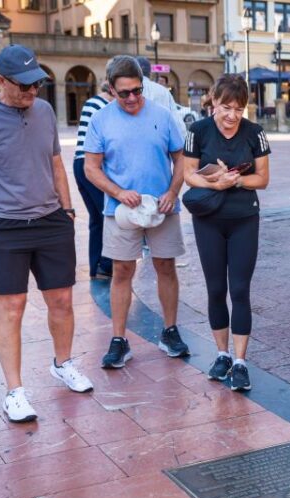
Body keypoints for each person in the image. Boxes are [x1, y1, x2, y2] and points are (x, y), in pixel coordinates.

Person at [0, 44, 94, 423]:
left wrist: (66, 210)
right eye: (24, 86)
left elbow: (55, 163)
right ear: (1, 80)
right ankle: (14, 391)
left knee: (62, 301)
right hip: (5, 227)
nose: (32, 93)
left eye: (37, 85)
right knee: (12, 309)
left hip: (51, 221)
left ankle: (63, 363)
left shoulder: (45, 111)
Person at [83, 55, 190, 368]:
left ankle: (170, 331)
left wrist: (173, 191)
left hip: (162, 208)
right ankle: (119, 339)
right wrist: (118, 193)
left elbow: (182, 157)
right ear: (112, 91)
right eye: (124, 93)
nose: (132, 98)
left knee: (166, 267)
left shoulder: (162, 114)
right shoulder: (101, 120)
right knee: (122, 272)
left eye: (137, 91)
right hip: (121, 211)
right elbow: (91, 167)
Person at [182, 74, 270, 391]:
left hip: (244, 217)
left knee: (240, 289)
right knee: (216, 288)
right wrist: (214, 183)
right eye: (225, 107)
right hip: (208, 219)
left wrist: (236, 181)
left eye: (238, 108)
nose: (231, 115)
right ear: (214, 103)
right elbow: (188, 174)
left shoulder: (255, 134)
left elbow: (262, 178)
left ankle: (241, 361)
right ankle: (222, 354)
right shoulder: (198, 131)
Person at [73, 82, 113, 278]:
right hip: (92, 165)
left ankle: (95, 265)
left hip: (80, 163)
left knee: (97, 218)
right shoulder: (103, 105)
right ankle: (106, 264)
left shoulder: (91, 103)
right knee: (107, 214)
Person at [135, 56, 186, 136]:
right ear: (150, 72)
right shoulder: (164, 92)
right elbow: (178, 124)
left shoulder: (127, 91)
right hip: (161, 140)